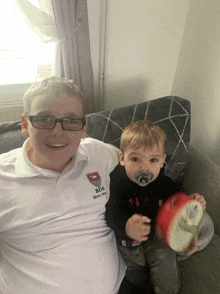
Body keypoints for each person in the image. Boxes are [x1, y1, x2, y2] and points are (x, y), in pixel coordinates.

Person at [0, 76, 126, 294]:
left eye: (70, 121)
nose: (58, 132)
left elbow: (145, 168)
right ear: (24, 124)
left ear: (83, 126)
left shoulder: (99, 154)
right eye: (44, 119)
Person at [105, 121, 214, 294]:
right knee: (132, 273)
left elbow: (178, 199)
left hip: (158, 234)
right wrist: (125, 225)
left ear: (163, 160)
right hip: (128, 242)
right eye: (135, 159)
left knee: (165, 263)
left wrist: (192, 203)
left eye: (153, 160)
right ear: (122, 159)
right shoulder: (117, 183)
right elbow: (110, 212)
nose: (145, 167)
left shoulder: (163, 182)